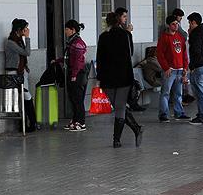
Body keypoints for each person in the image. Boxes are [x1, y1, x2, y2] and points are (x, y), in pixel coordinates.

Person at [95, 11, 142, 147]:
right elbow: (130, 55)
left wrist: (99, 77)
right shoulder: (125, 35)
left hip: (108, 78)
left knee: (117, 106)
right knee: (120, 106)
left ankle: (123, 136)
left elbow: (100, 58)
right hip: (123, 76)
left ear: (107, 22)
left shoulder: (103, 37)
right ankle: (119, 138)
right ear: (118, 21)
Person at [3, 18, 37, 132]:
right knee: (24, 97)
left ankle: (32, 123)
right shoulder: (11, 42)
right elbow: (26, 52)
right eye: (25, 28)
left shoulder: (18, 40)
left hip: (22, 72)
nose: (27, 30)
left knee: (26, 97)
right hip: (14, 73)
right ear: (19, 30)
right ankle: (29, 123)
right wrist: (27, 38)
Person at [156, 15, 189, 122]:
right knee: (166, 92)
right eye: (173, 24)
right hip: (170, 70)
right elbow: (160, 55)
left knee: (178, 93)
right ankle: (163, 114)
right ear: (169, 25)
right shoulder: (164, 38)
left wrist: (185, 67)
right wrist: (166, 68)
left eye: (177, 24)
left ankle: (179, 113)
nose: (176, 26)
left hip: (179, 69)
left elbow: (184, 53)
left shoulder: (180, 37)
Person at [61, 20, 88, 132]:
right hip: (72, 72)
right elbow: (68, 57)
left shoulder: (77, 43)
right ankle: (75, 120)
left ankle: (81, 122)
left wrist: (74, 75)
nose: (65, 31)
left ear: (73, 30)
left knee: (77, 98)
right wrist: (58, 61)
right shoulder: (72, 41)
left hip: (77, 74)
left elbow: (78, 61)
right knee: (72, 98)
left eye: (67, 29)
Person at [186, 12, 203, 125]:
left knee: (200, 93)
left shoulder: (195, 34)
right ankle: (202, 114)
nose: (189, 25)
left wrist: (192, 66)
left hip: (198, 66)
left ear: (194, 22)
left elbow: (195, 51)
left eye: (190, 23)